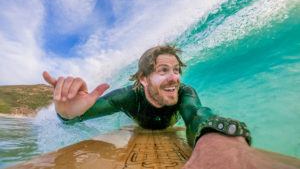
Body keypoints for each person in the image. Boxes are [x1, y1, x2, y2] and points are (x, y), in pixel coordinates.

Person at [43, 45, 298, 169]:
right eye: (163, 70)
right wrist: (67, 112)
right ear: (143, 79)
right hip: (140, 123)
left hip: (167, 127)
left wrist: (219, 141)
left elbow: (197, 114)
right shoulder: (126, 97)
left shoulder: (185, 93)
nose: (174, 78)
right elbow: (76, 118)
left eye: (176, 70)